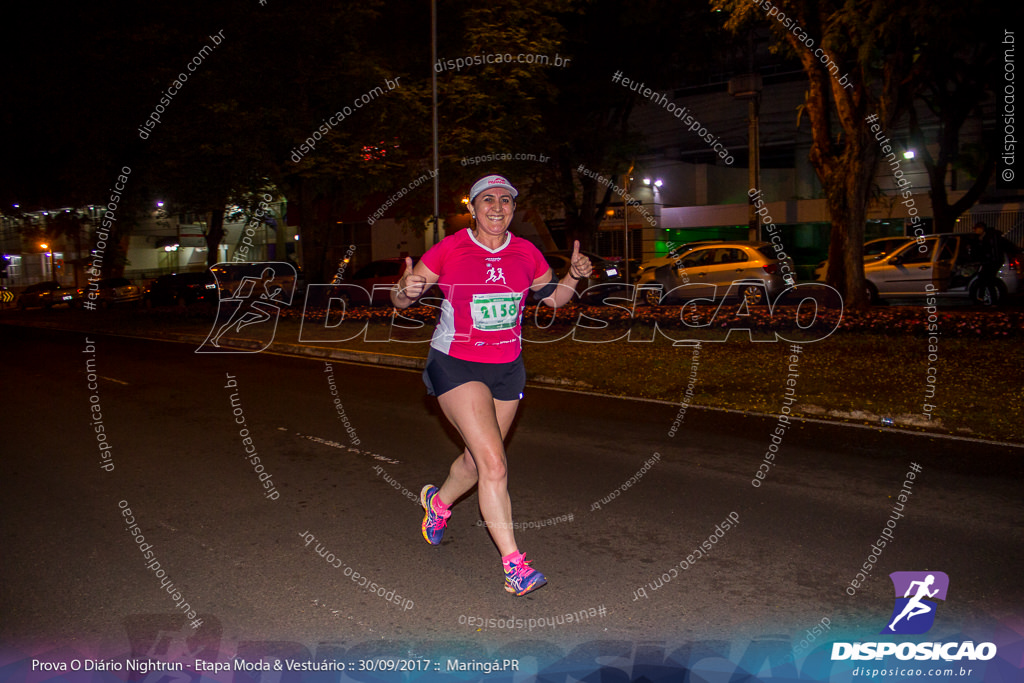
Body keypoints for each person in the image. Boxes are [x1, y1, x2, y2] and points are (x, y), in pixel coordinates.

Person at [390, 174, 593, 596]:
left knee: (475, 461)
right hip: (456, 365)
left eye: (505, 200)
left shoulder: (526, 252)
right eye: (488, 200)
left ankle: (439, 503)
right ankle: (514, 566)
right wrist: (404, 292)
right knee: (495, 465)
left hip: (507, 368)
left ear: (513, 210)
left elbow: (552, 298)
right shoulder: (452, 248)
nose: (497, 207)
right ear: (474, 208)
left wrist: (573, 276)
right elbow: (403, 296)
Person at [971, 222, 1019, 302]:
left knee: (989, 279)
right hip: (988, 261)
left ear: (981, 229)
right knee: (984, 278)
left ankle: (990, 299)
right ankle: (982, 297)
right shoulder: (981, 238)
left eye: (976, 228)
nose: (975, 230)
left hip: (994, 261)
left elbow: (1005, 245)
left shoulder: (992, 237)